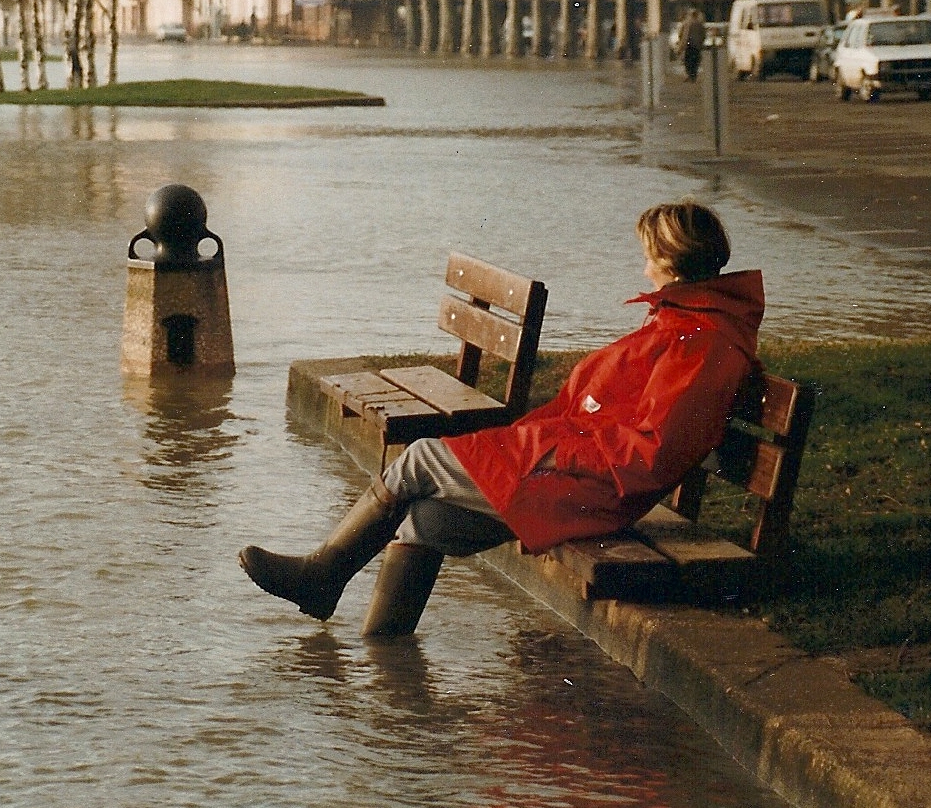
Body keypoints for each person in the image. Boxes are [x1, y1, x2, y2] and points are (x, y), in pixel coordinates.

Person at [239, 201, 763, 637]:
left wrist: (550, 450)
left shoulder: (700, 340)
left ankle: (323, 574)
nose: (644, 267)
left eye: (649, 255)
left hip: (592, 488)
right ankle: (388, 675)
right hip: (576, 471)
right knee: (427, 520)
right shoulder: (685, 321)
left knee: (420, 458)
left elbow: (651, 453)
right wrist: (540, 440)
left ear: (670, 261)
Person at [682, 9, 706, 81]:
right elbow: (703, 35)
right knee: (695, 61)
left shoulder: (688, 24)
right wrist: (701, 43)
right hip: (697, 46)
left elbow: (685, 35)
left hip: (690, 45)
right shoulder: (700, 24)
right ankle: (693, 76)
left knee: (688, 61)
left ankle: (690, 75)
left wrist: (683, 44)